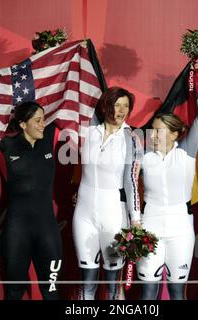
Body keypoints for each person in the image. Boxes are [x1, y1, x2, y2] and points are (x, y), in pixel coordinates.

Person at [131, 59, 198, 300]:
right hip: (149, 226)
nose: (153, 135)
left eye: (160, 130)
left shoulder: (186, 151)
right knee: (148, 292)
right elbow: (128, 184)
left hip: (180, 229)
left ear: (175, 134)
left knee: (176, 292)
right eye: (152, 130)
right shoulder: (142, 155)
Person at [72, 86, 141, 300]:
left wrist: (136, 219)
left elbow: (132, 181)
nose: (121, 110)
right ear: (105, 106)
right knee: (87, 283)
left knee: (113, 286)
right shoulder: (90, 129)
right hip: (83, 214)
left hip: (113, 215)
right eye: (116, 105)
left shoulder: (132, 138)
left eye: (126, 106)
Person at [0, 101, 62, 300]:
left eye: (43, 119)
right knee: (14, 291)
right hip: (17, 230)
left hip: (47, 229)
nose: (42, 124)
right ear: (23, 124)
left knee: (51, 290)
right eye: (37, 120)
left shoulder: (49, 137)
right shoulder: (5, 146)